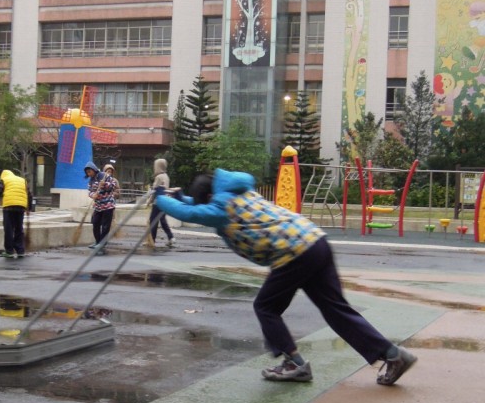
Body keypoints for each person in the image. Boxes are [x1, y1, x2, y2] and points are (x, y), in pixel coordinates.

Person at [155, 169, 417, 386]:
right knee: (335, 308)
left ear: (210, 196)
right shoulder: (237, 192)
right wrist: (181, 197)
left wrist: (160, 198)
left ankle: (294, 364)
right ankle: (393, 355)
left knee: (266, 306)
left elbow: (193, 213)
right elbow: (198, 207)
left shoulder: (222, 209)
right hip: (315, 242)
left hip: (293, 253)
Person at [0, 170, 32, 259]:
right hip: (21, 206)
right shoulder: (22, 180)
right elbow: (30, 195)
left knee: (9, 229)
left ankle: (9, 251)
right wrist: (29, 208)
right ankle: (20, 250)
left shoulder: (4, 180)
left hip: (9, 206)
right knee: (19, 228)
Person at [84, 161, 117, 255]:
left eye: (89, 171)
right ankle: (97, 241)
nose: (88, 174)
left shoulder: (104, 176)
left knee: (105, 226)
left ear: (94, 170)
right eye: (87, 173)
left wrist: (105, 184)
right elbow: (89, 190)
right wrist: (92, 195)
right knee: (95, 223)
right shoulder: (91, 180)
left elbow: (113, 185)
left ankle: (102, 244)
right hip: (98, 206)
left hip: (108, 205)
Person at [147, 158, 175, 248]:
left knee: (153, 221)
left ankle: (152, 240)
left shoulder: (158, 177)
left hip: (157, 202)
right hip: (165, 201)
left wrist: (149, 201)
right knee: (162, 220)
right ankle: (171, 237)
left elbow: (155, 191)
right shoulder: (166, 176)